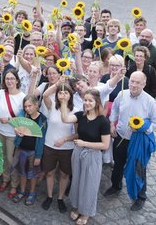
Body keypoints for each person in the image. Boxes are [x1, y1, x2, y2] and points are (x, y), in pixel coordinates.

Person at [104, 71, 156, 211]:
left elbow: (154, 123)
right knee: (118, 165)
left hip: (138, 141)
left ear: (144, 84)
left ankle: (141, 197)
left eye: (138, 82)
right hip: (120, 137)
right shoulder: (122, 94)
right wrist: (111, 124)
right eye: (132, 81)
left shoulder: (150, 101)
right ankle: (116, 186)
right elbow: (114, 110)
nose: (134, 85)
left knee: (139, 168)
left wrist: (143, 129)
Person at [59, 89, 110, 225]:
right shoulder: (80, 115)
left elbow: (105, 145)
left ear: (97, 102)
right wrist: (63, 102)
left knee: (90, 185)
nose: (87, 103)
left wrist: (85, 143)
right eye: (85, 100)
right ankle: (76, 206)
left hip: (92, 155)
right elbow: (65, 119)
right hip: (78, 153)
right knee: (77, 181)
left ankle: (86, 212)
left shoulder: (103, 121)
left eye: (90, 100)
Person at [0, 69, 26, 198]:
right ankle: (5, 179)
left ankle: (14, 184)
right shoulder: (1, 93)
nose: (9, 81)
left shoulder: (22, 97)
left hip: (13, 133)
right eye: (7, 79)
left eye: (12, 78)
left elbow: (23, 119)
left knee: (11, 159)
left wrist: (9, 120)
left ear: (17, 80)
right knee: (2, 159)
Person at [41, 82, 77, 212]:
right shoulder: (52, 107)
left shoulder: (75, 111)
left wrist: (64, 139)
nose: (62, 95)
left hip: (67, 148)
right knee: (49, 172)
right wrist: (58, 84)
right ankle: (50, 196)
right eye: (60, 93)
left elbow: (77, 133)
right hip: (49, 145)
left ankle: (60, 198)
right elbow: (45, 95)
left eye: (65, 92)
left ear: (70, 95)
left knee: (64, 174)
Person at [12, 95, 47, 206]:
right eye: (25, 106)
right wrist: (16, 129)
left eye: (30, 106)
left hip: (33, 151)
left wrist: (38, 156)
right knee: (22, 172)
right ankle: (22, 190)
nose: (27, 108)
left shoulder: (43, 120)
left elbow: (42, 139)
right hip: (21, 149)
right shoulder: (24, 114)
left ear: (37, 104)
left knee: (32, 174)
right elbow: (18, 120)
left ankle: (32, 192)